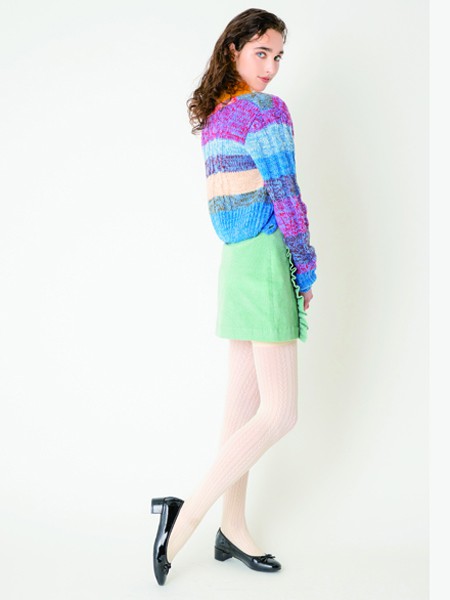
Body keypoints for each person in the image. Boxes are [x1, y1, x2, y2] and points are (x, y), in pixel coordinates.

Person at [150, 8, 317, 586]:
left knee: (240, 413)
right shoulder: (263, 110)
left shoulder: (216, 115)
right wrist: (305, 268)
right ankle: (183, 522)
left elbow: (223, 209)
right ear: (234, 50)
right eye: (261, 53)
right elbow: (286, 194)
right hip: (266, 259)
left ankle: (234, 526)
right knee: (281, 412)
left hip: (235, 263)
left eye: (278, 56)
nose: (271, 68)